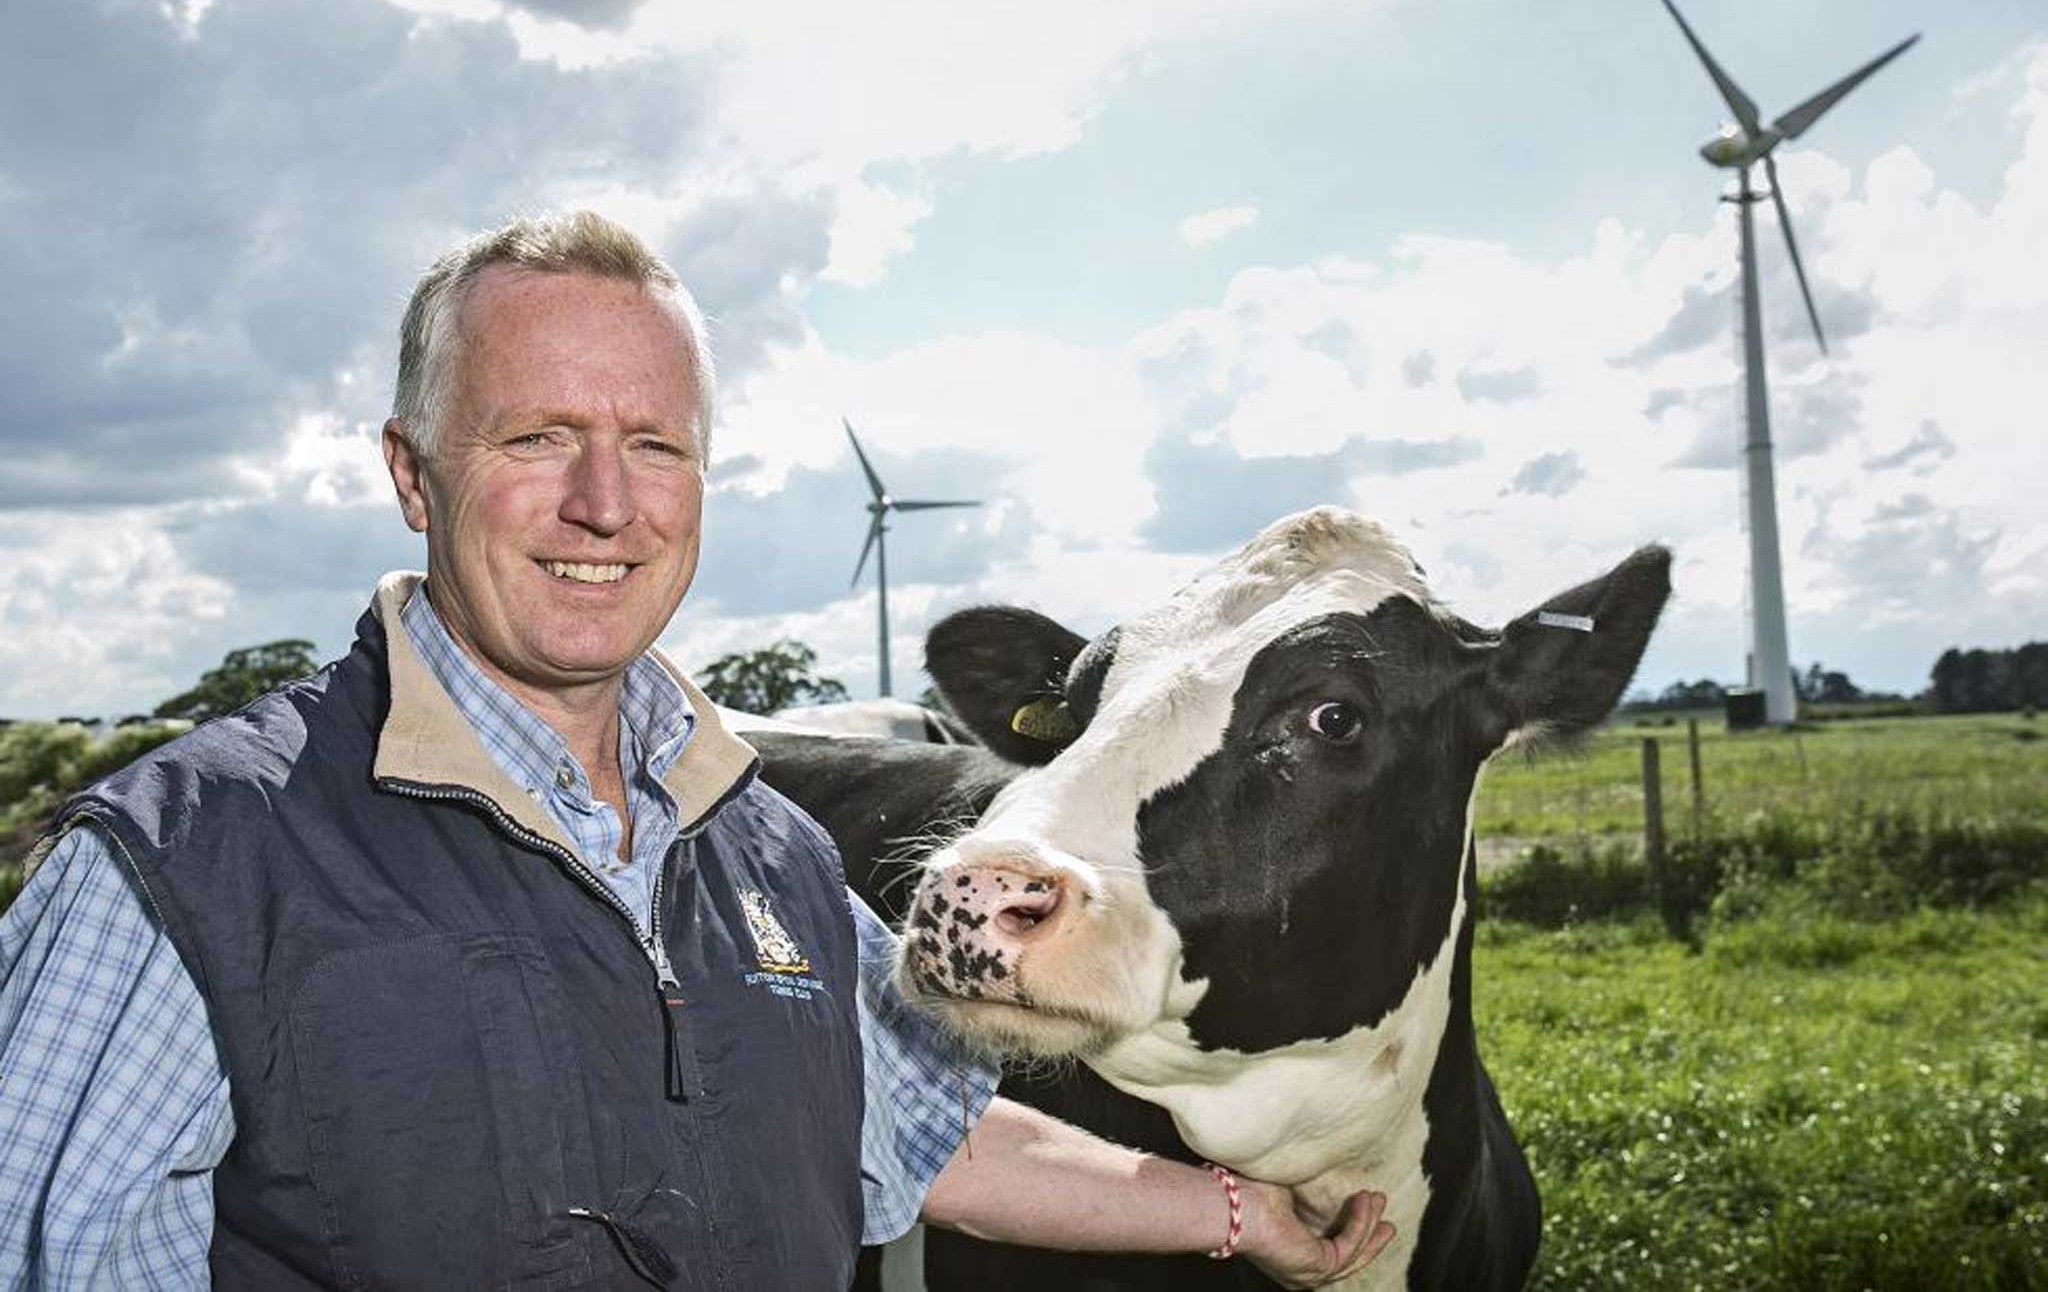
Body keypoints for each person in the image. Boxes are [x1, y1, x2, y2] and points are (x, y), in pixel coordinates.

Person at [0, 212, 1395, 1290]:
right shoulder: (181, 869)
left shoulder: (768, 850)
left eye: (654, 444)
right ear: (412, 470)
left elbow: (924, 1127)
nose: (606, 503)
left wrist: (1238, 1214)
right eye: (539, 436)